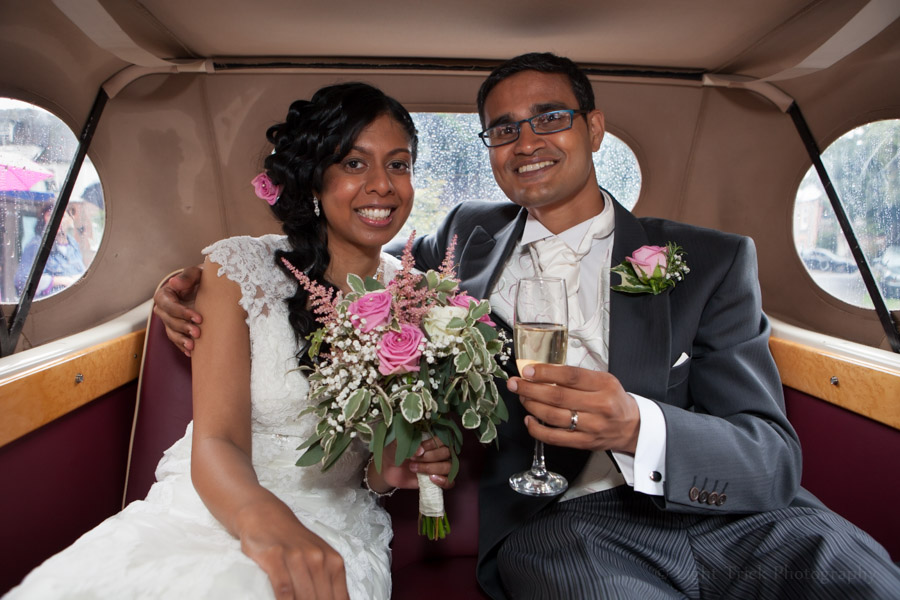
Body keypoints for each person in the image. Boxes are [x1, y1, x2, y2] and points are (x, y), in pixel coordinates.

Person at [154, 54, 900, 599]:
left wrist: (637, 423)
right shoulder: (459, 242)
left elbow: (772, 458)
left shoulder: (707, 259)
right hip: (571, 523)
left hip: (744, 514)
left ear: (596, 128)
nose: (528, 141)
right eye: (503, 129)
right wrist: (185, 288)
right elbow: (345, 270)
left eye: (551, 117)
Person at [7, 82, 453, 600]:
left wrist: (393, 471)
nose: (382, 185)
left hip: (335, 519)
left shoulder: (420, 300)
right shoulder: (236, 268)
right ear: (314, 178)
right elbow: (216, 440)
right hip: (210, 500)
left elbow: (373, 475)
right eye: (354, 164)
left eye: (398, 165)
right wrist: (263, 520)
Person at [14, 203, 85, 299]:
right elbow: (22, 282)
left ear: (70, 219)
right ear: (44, 219)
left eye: (62, 216)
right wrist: (60, 280)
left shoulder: (73, 244)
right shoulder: (37, 245)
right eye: (50, 215)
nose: (57, 220)